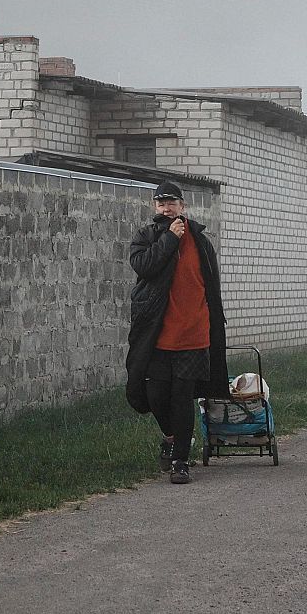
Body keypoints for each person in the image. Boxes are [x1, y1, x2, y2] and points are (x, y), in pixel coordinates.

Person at [124, 181, 228, 484]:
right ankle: (171, 437)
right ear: (155, 208)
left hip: (193, 334)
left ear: (182, 206)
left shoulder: (201, 241)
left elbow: (211, 286)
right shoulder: (147, 236)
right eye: (160, 204)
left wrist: (212, 322)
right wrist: (169, 239)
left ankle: (181, 461)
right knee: (156, 395)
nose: (166, 208)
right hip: (157, 334)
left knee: (182, 397)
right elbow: (144, 266)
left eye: (171, 203)